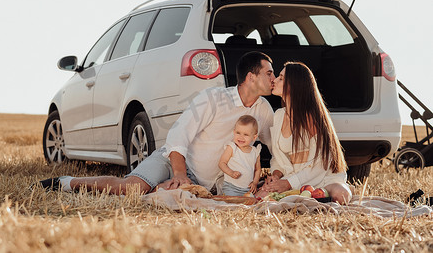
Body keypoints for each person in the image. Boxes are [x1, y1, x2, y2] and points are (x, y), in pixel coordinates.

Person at [39, 51, 275, 195]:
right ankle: (66, 183)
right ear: (251, 77)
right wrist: (180, 173)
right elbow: (178, 135)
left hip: (209, 184)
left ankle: (160, 189)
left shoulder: (263, 110)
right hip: (175, 161)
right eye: (269, 73)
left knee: (175, 196)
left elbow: (277, 147)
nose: (273, 79)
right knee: (130, 189)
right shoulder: (213, 98)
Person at [256, 61, 352, 204]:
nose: (274, 80)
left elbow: (320, 165)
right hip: (292, 179)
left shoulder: (312, 118)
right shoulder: (279, 115)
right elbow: (279, 157)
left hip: (320, 179)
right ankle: (301, 197)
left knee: (340, 194)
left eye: (281, 78)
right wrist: (275, 176)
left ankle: (342, 188)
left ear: (294, 85)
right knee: (260, 197)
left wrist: (288, 183)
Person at [218, 115, 262, 196]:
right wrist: (231, 172)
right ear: (234, 132)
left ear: (254, 137)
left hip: (247, 189)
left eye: (246, 134)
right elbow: (222, 163)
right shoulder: (232, 148)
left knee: (249, 204)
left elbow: (257, 169)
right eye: (238, 133)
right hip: (231, 187)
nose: (241, 137)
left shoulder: (255, 152)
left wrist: (255, 183)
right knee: (231, 204)